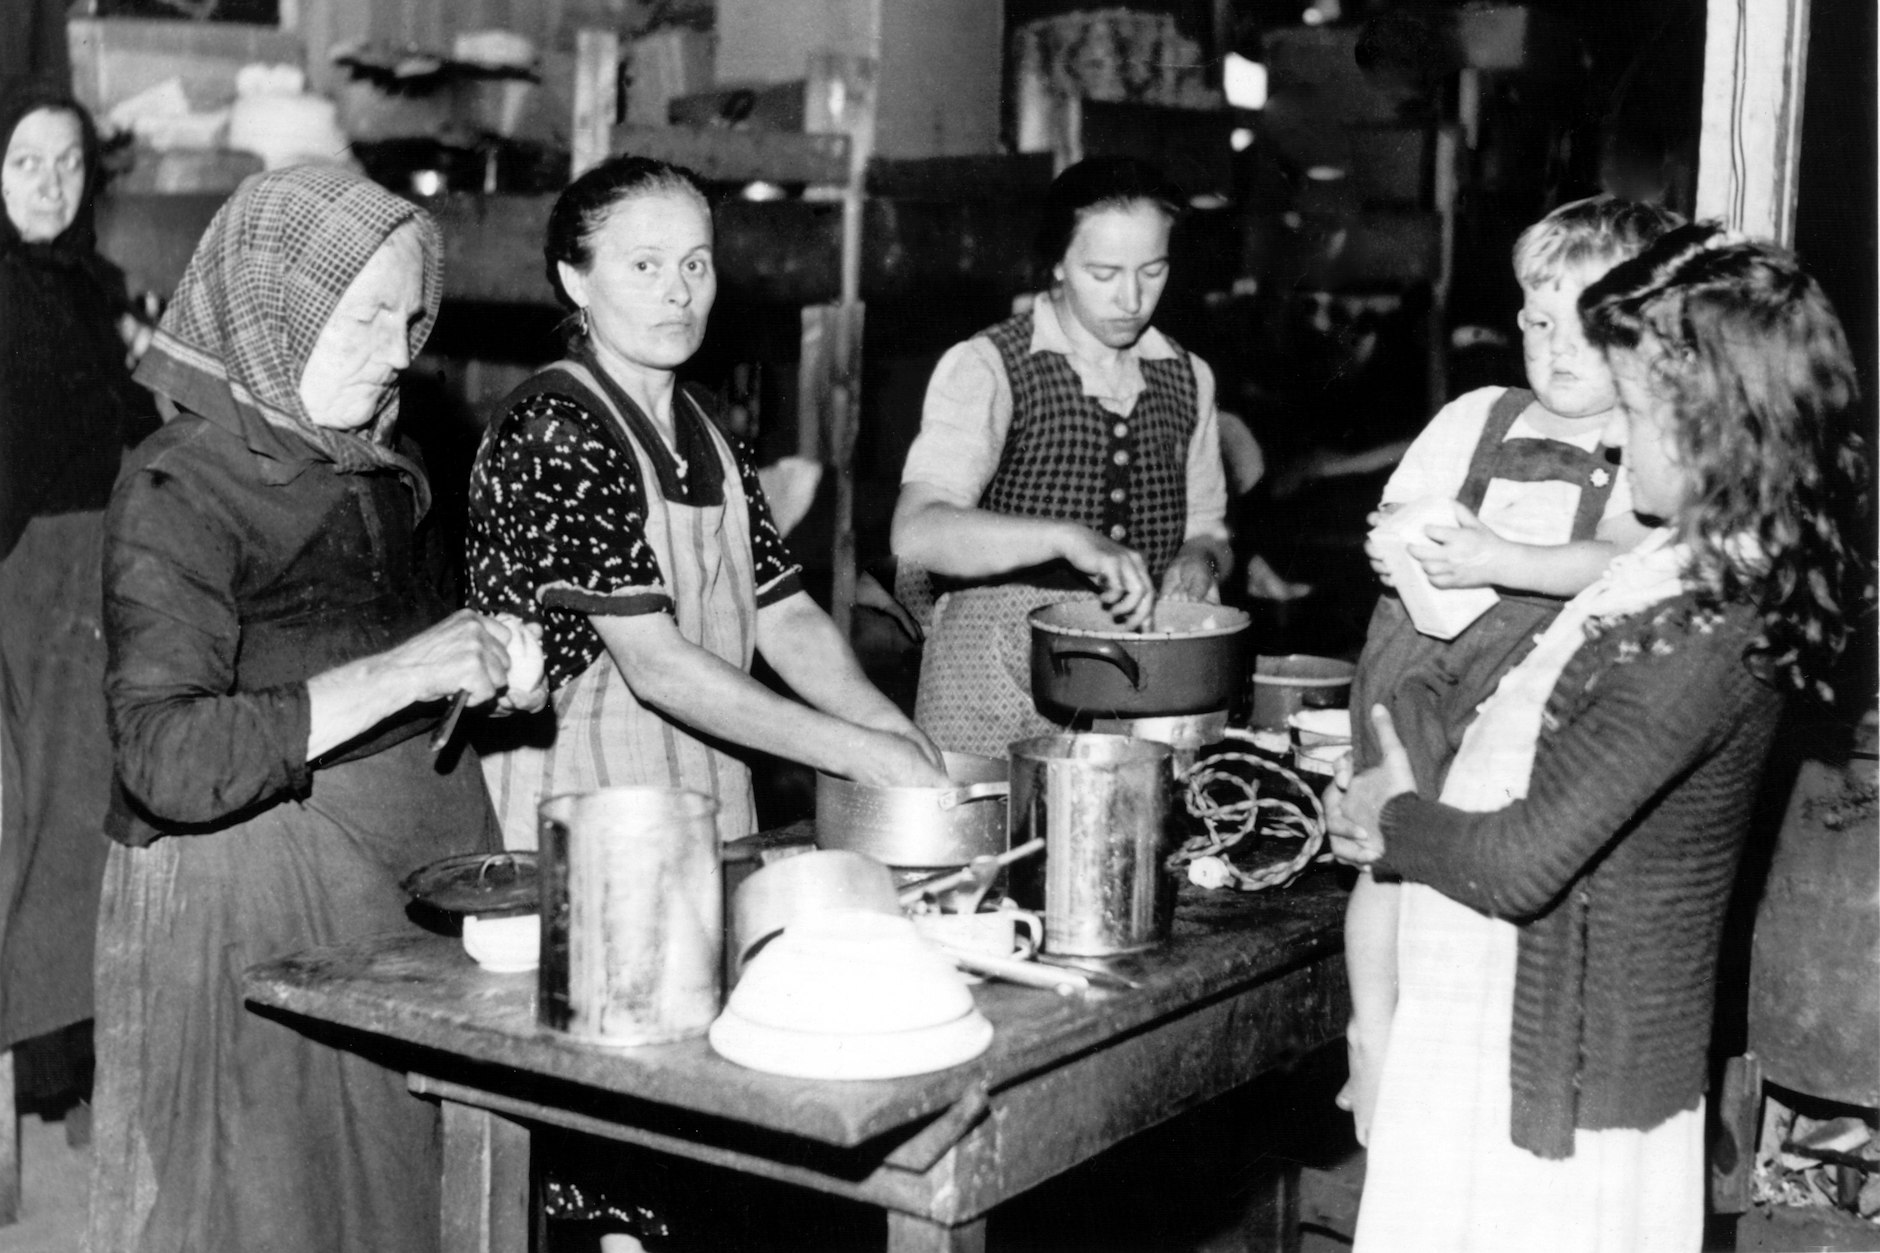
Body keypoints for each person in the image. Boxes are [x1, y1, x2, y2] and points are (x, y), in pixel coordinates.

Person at [1324, 224, 1869, 1253]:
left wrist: (1393, 819)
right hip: (1506, 1033)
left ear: (1714, 424)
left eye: (1635, 409)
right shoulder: (1668, 573)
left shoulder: (1708, 624)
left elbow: (1525, 859)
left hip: (1559, 1086)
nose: (1612, 442)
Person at [89, 165, 546, 1253]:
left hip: (403, 870)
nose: (398, 350)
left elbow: (397, 646)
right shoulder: (178, 489)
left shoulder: (385, 462)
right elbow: (168, 756)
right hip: (254, 896)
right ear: (273, 308)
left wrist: (490, 669)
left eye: (411, 316)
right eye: (366, 315)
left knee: (422, 1198)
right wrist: (407, 672)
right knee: (283, 1212)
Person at [467, 154, 944, 852]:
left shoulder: (709, 427)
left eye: (695, 264)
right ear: (577, 280)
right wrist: (852, 753)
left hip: (705, 800)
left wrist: (889, 727)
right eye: (644, 266)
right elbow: (654, 664)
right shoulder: (553, 428)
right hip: (583, 820)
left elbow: (785, 613)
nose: (678, 293)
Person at [1338, 196, 1679, 1139]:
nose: (1556, 353)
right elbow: (1396, 514)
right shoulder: (1474, 416)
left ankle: (1470, 1061)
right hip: (1418, 660)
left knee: (1481, 878)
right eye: (1537, 325)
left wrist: (1499, 560)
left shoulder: (1640, 451)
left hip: (1529, 690)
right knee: (1384, 852)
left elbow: (1619, 557)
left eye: (1584, 334)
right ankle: (1373, 1034)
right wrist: (1396, 545)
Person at [892, 156, 1233, 755]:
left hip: (1132, 687)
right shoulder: (990, 365)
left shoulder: (1188, 377)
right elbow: (917, 532)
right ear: (1056, 264)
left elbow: (1207, 529)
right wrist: (1065, 537)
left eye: (1152, 270)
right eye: (1103, 273)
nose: (1131, 298)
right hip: (988, 685)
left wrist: (1198, 563)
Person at [0, 85, 158, 1123]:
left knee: (79, 816)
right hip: (24, 570)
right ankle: (41, 1054)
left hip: (86, 566)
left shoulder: (92, 286)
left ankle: (62, 1056)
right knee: (43, 812)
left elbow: (119, 420)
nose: (50, 185)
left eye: (67, 165)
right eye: (25, 164)